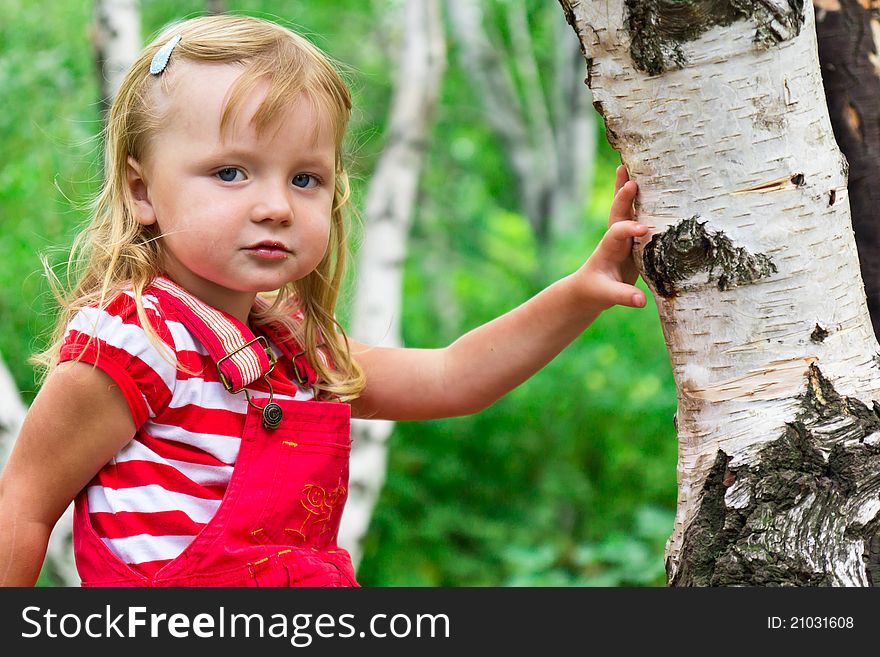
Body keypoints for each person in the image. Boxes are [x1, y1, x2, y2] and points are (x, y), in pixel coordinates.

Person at [0, 14, 646, 587]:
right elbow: (23, 508)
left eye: (305, 178)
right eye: (231, 172)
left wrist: (582, 290)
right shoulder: (132, 343)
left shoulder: (294, 349)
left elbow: (453, 377)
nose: (277, 206)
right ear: (143, 192)